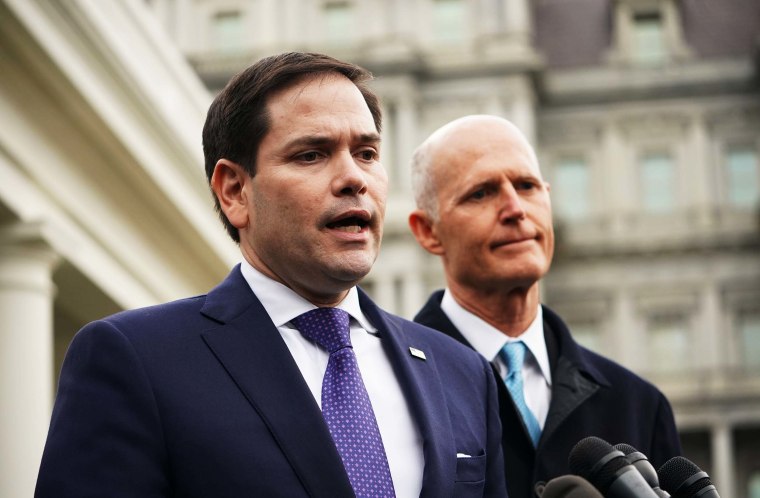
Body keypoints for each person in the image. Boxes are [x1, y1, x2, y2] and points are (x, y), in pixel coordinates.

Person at [35, 54, 505, 498]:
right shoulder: (134, 360)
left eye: (366, 152)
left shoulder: (463, 373)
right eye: (311, 155)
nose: (353, 178)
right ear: (235, 191)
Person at [408, 115, 682, 498]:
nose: (515, 208)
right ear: (427, 231)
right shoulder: (390, 388)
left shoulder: (638, 404)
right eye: (481, 193)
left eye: (527, 185)